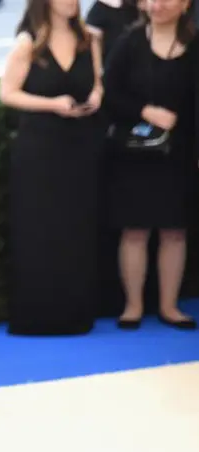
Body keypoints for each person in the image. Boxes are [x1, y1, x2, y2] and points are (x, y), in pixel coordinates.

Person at [0, 0, 105, 335]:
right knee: (39, 228)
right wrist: (52, 105)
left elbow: (97, 82)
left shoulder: (89, 39)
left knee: (76, 227)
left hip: (80, 147)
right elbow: (8, 93)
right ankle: (38, 314)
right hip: (40, 151)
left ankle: (76, 312)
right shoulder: (28, 43)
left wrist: (96, 96)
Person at [101, 0, 197, 329]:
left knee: (175, 232)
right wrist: (145, 112)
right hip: (135, 153)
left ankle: (170, 306)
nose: (158, 5)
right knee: (134, 230)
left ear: (185, 5)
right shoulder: (129, 42)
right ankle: (133, 305)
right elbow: (109, 93)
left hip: (179, 154)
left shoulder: (194, 46)